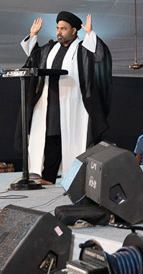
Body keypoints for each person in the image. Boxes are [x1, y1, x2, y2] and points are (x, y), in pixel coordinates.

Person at [20, 11, 112, 184]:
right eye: (57, 28)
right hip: (50, 101)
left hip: (74, 102)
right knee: (51, 136)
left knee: (72, 138)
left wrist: (91, 34)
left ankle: (75, 177)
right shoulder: (50, 48)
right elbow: (33, 58)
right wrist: (32, 35)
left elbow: (99, 55)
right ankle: (48, 177)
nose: (59, 32)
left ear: (74, 30)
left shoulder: (82, 47)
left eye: (63, 28)